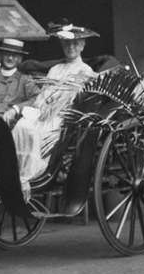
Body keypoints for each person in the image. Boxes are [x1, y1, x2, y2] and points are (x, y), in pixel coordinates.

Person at [8, 23, 98, 193]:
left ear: (82, 46)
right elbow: (44, 94)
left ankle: (28, 176)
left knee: (33, 131)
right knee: (21, 126)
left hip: (62, 117)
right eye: (67, 44)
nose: (71, 47)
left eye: (75, 44)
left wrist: (54, 108)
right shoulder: (55, 69)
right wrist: (41, 107)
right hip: (43, 111)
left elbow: (74, 99)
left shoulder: (85, 71)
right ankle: (14, 171)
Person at [0, 38, 40, 126]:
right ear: (2, 55)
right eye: (7, 54)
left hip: (11, 125)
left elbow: (38, 99)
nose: (10, 58)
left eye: (15, 55)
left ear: (20, 58)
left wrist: (16, 109)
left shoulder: (25, 79)